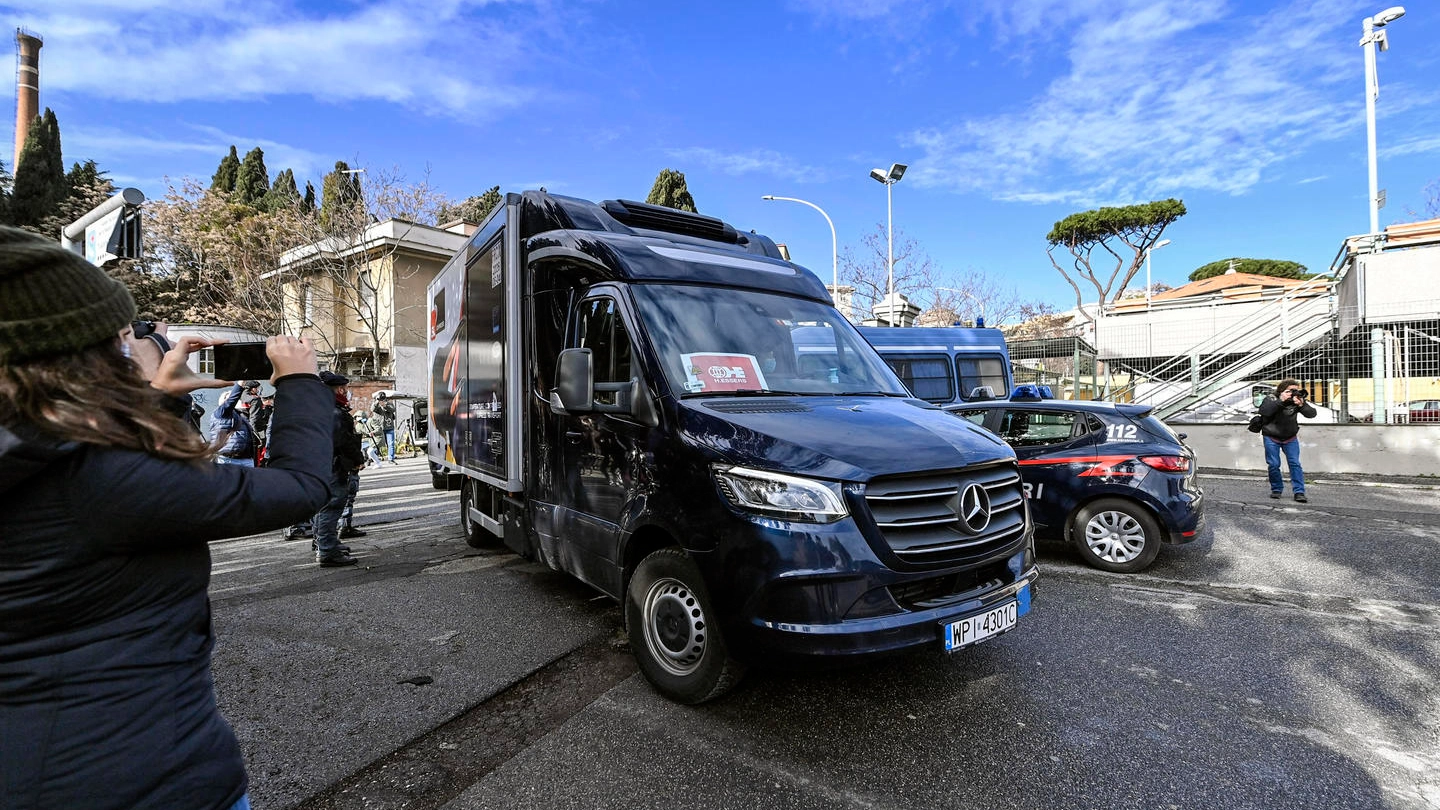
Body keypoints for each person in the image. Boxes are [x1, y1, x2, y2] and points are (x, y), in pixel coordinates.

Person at [0, 226, 334, 810]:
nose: (135, 344)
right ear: (79, 353)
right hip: (134, 778)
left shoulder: (33, 451)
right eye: (125, 334)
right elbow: (299, 487)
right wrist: (302, 382)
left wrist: (161, 399)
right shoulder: (95, 480)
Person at [310, 371, 368, 566]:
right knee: (332, 506)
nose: (345, 391)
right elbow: (343, 441)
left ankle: (326, 543)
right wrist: (357, 458)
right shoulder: (334, 412)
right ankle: (327, 551)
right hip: (334, 465)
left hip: (323, 464)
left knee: (324, 507)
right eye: (342, 388)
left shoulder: (319, 407)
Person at [1258, 378, 1317, 503]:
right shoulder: (1272, 398)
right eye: (1290, 391)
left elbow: (1312, 414)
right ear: (1281, 391)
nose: (1294, 393)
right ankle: (1277, 489)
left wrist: (1302, 404)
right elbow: (1264, 411)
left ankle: (1299, 492)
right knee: (1274, 465)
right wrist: (1281, 401)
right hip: (1271, 437)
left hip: (1290, 437)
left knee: (1295, 463)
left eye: (1296, 390)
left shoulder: (1295, 402)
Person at [210, 380, 260, 466]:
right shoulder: (220, 412)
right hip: (228, 459)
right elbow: (231, 401)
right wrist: (239, 385)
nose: (237, 399)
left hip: (246, 459)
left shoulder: (240, 414)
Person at [374, 391, 398, 463]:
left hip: (389, 427)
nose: (381, 400)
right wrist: (377, 402)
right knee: (377, 443)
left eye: (382, 398)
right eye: (380, 398)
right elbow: (372, 409)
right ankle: (374, 458)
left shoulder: (389, 403)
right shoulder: (376, 404)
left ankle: (391, 459)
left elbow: (393, 409)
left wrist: (385, 405)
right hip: (379, 428)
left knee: (391, 444)